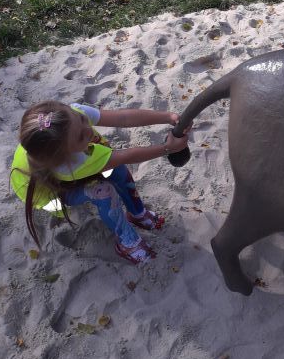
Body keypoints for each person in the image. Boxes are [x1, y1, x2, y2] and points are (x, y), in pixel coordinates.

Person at [10, 100, 190, 264]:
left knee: (116, 169)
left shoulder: (70, 119)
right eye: (81, 137)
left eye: (83, 119)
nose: (88, 129)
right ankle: (126, 241)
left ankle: (137, 213)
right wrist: (168, 148)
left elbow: (123, 118)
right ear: (66, 156)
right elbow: (128, 156)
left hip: (60, 163)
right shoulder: (73, 164)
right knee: (103, 191)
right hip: (49, 195)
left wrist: (168, 117)